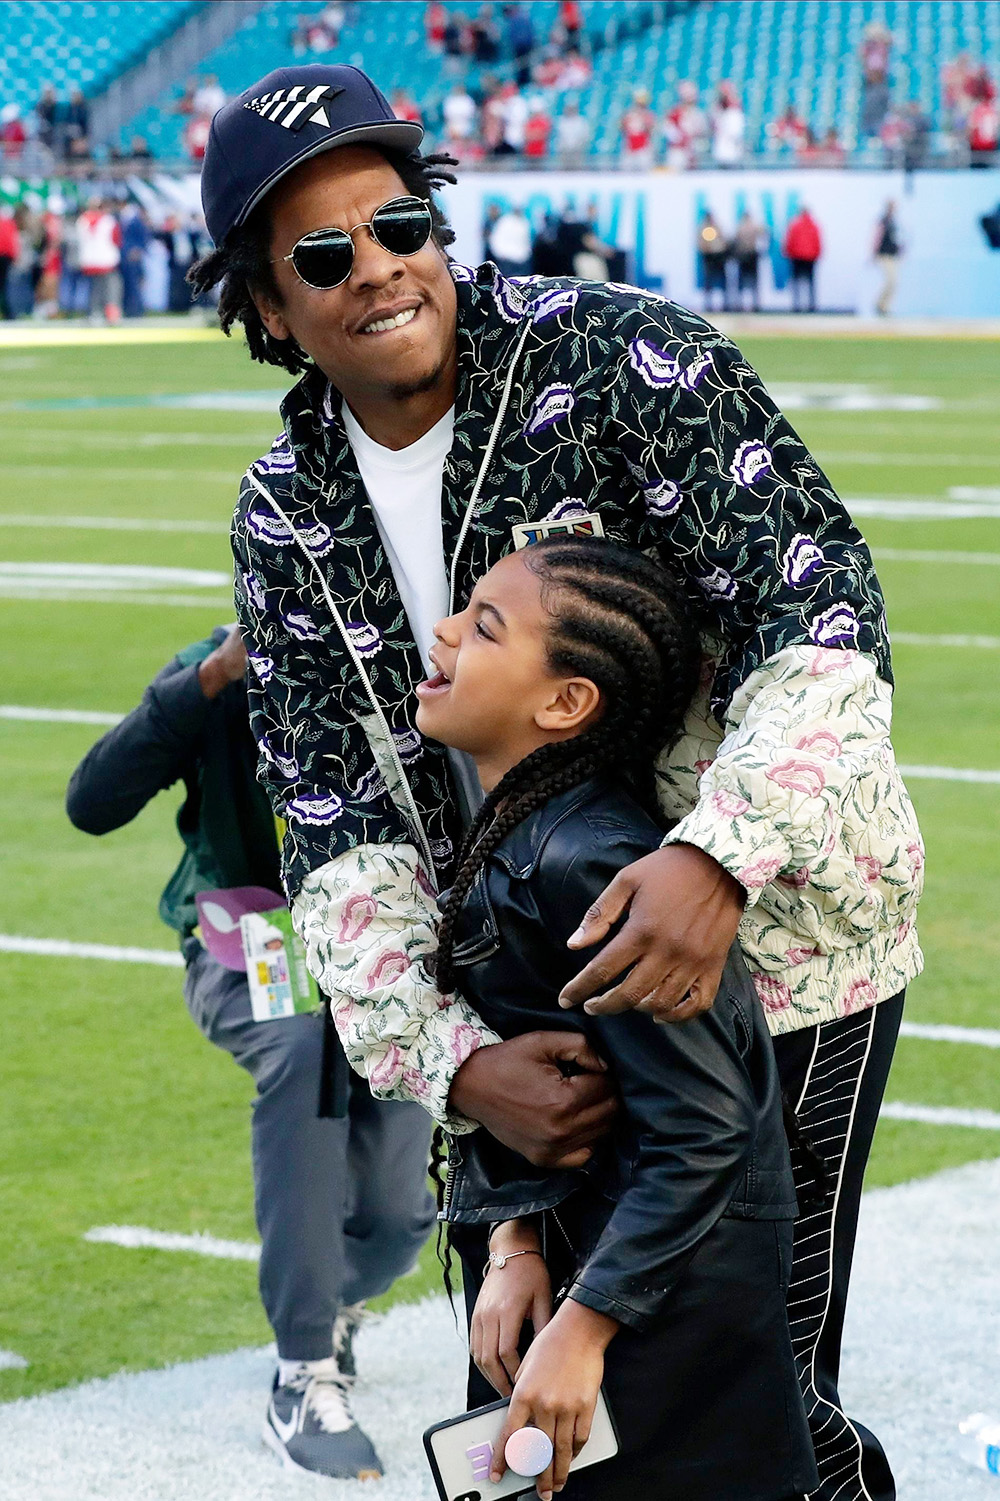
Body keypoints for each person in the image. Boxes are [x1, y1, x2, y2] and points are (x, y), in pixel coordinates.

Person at [190, 64, 923, 1501]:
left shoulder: (624, 357)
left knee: (745, 1388)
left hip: (780, 957)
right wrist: (461, 1066)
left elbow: (821, 609)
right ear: (272, 307)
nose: (383, 271)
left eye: (401, 224)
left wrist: (719, 856)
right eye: (326, 257)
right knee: (535, 1416)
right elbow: (333, 830)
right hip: (518, 998)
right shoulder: (286, 513)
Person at [421, 537, 817, 1501]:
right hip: (581, 1261)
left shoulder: (593, 866)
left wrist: (585, 1325)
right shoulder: (518, 830)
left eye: (482, 626)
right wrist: (511, 1245)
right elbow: (534, 1081)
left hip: (669, 1298)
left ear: (563, 703)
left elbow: (703, 1125)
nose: (441, 631)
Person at [65, 625, 436, 1481]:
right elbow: (92, 801)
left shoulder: (422, 659)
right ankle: (303, 1370)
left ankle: (335, 1297)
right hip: (255, 932)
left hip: (389, 936)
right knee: (302, 1046)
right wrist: (205, 680)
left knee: (395, 1216)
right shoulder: (224, 669)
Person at [76, 196, 121, 323]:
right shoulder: (108, 220)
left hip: (89, 260)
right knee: (111, 288)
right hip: (107, 260)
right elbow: (116, 239)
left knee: (94, 289)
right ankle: (111, 314)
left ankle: (95, 314)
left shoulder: (82, 220)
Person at [784, 205, 821, 313]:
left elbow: (790, 240)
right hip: (810, 257)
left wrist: (788, 253)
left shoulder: (794, 225)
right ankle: (811, 306)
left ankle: (797, 306)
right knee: (810, 283)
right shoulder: (814, 225)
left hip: (797, 257)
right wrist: (817, 254)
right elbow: (817, 241)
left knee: (796, 282)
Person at [730, 208, 767, 311]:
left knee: (741, 282)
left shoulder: (740, 227)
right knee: (754, 281)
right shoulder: (754, 226)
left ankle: (739, 304)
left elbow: (734, 241)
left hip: (742, 256)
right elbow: (764, 232)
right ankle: (755, 304)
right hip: (752, 255)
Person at [696, 208, 728, 312]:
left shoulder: (717, 227)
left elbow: (723, 241)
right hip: (709, 256)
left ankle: (724, 304)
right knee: (709, 282)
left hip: (718, 256)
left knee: (722, 282)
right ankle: (708, 304)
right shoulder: (703, 228)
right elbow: (700, 244)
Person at [874, 200, 902, 317]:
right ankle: (880, 305)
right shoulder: (884, 220)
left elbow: (895, 238)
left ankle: (884, 306)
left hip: (893, 255)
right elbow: (878, 236)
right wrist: (874, 252)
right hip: (884, 255)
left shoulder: (894, 222)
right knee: (890, 280)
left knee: (894, 282)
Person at [619, 87, 656, 169]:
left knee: (645, 168)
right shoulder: (629, 114)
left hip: (643, 147)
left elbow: (651, 129)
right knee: (626, 170)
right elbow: (621, 127)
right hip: (630, 146)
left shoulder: (648, 115)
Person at [711, 82, 745, 166]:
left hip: (732, 148)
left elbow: (736, 131)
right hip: (721, 148)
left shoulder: (734, 112)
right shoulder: (717, 110)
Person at [553, 97, 589, 167]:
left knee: (577, 168)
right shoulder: (561, 121)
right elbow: (558, 136)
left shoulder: (581, 121)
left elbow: (584, 136)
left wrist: (576, 145)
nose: (570, 110)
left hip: (577, 151)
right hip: (564, 151)